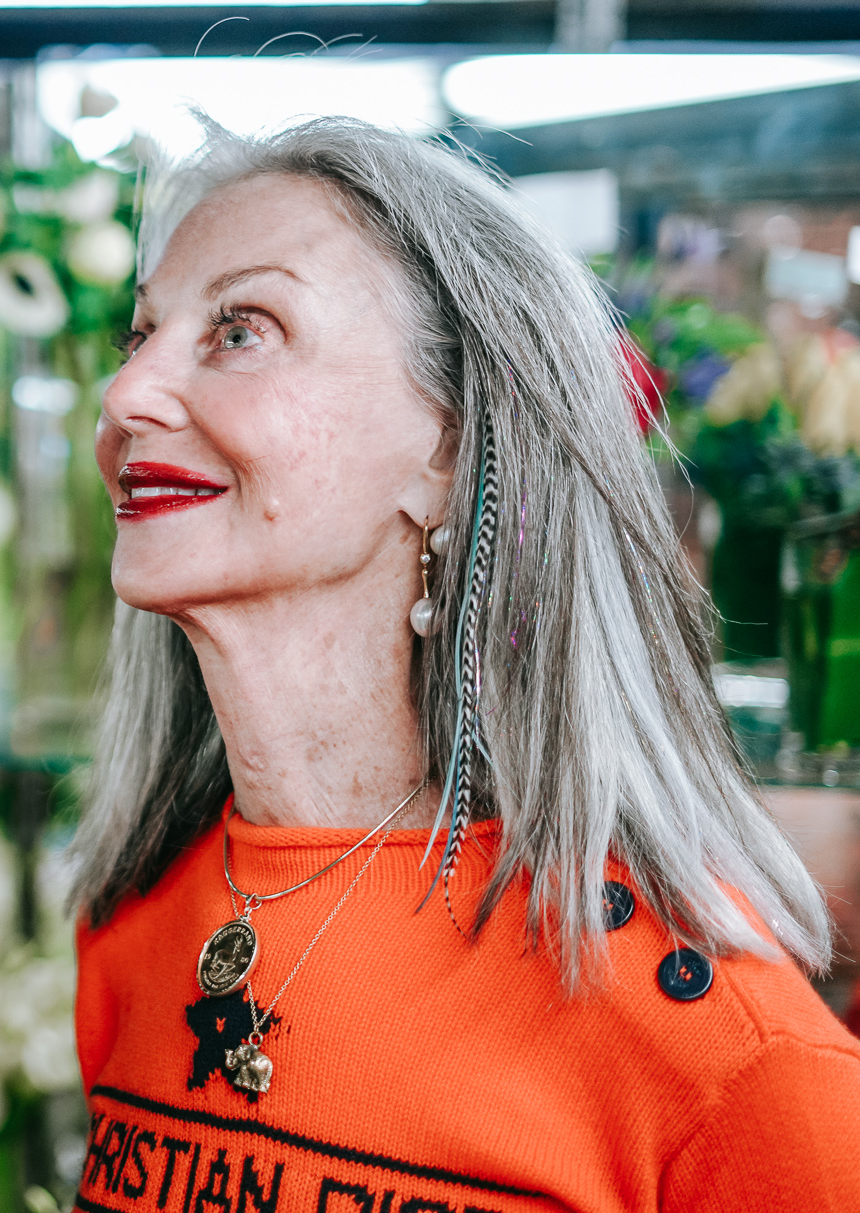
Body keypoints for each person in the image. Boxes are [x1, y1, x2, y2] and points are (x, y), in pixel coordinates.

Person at [69, 116, 860, 1212]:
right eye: (138, 335)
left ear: (444, 451)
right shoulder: (131, 919)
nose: (123, 399)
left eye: (239, 330)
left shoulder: (724, 1056)